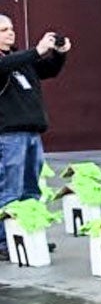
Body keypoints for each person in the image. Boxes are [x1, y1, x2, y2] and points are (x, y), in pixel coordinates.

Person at [0, 17, 68, 229]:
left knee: (31, 190)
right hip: (8, 137)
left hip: (31, 134)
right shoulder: (10, 61)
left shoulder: (19, 59)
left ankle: (29, 235)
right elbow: (4, 65)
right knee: (10, 191)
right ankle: (4, 240)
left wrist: (59, 53)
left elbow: (49, 70)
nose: (11, 33)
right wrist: (37, 50)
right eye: (3, 30)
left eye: (11, 28)